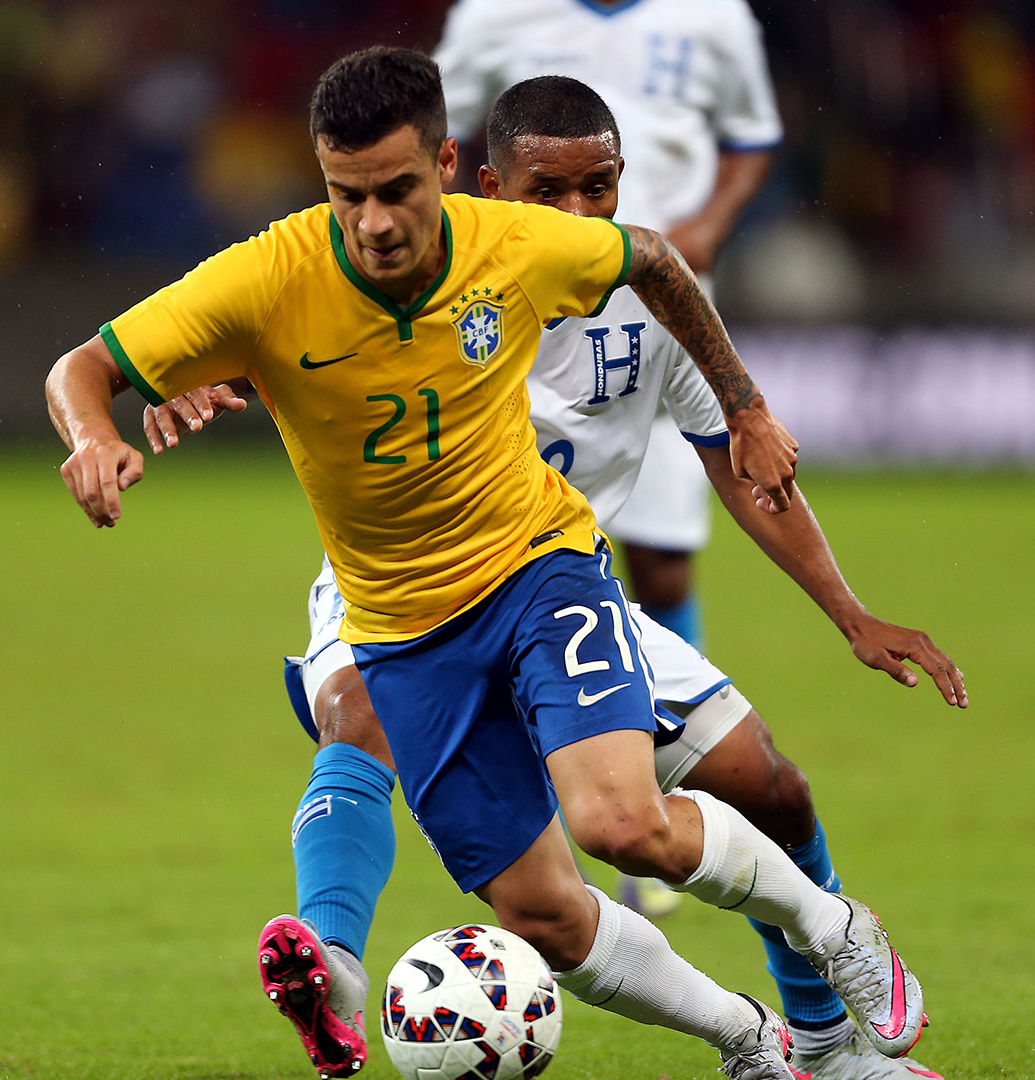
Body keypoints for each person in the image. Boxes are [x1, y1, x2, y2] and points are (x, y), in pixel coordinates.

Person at [47, 46, 921, 1080]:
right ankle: (745, 1039)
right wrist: (92, 436)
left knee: (624, 825)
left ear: (447, 166)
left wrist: (746, 406)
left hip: (538, 572)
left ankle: (834, 927)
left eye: (396, 190)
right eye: (348, 195)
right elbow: (84, 368)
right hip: (403, 631)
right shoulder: (267, 277)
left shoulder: (514, 243)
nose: (374, 221)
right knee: (543, 912)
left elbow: (652, 259)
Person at [435, 0, 786, 917]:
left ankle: (660, 795)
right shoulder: (493, 13)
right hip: (516, 312)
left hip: (655, 318)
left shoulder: (714, 17)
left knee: (662, 560)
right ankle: (584, 811)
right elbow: (430, 137)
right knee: (519, 564)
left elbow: (752, 137)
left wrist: (705, 229)